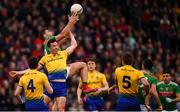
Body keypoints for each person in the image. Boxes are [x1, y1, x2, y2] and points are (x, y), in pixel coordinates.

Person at [10, 32, 95, 111]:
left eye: (57, 45)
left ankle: (85, 87)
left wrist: (71, 34)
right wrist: (18, 72)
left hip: (61, 86)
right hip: (50, 86)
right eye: (54, 46)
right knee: (40, 106)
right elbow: (33, 69)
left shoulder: (63, 53)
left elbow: (74, 45)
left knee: (61, 109)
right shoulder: (45, 58)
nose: (57, 47)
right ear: (50, 48)